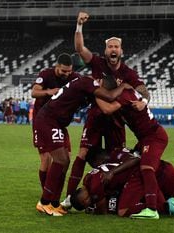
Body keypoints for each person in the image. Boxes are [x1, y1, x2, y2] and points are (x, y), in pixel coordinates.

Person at [62, 11, 151, 207]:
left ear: (121, 51)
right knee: (83, 153)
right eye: (110, 46)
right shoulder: (97, 63)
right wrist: (79, 25)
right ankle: (70, 197)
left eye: (116, 47)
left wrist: (145, 100)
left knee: (117, 159)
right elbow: (79, 48)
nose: (113, 49)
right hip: (96, 114)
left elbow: (144, 90)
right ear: (105, 50)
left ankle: (112, 197)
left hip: (116, 119)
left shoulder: (128, 72)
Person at [34, 70, 132, 217]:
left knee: (65, 161)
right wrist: (123, 86)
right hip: (48, 120)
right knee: (60, 160)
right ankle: (44, 201)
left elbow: (105, 105)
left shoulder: (89, 88)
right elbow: (110, 96)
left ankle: (54, 202)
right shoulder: (88, 82)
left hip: (56, 122)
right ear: (100, 84)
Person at [96, 85, 168, 219]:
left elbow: (107, 109)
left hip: (153, 136)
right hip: (144, 139)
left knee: (146, 168)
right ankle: (165, 202)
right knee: (140, 164)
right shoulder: (122, 97)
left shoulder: (124, 95)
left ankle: (152, 209)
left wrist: (94, 94)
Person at [31, 53, 77, 191]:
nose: (66, 74)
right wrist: (49, 92)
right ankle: (46, 192)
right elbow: (34, 92)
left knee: (66, 158)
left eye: (69, 71)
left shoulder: (73, 77)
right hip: (42, 121)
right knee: (46, 158)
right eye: (63, 71)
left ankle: (54, 189)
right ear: (57, 67)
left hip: (59, 122)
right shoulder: (46, 74)